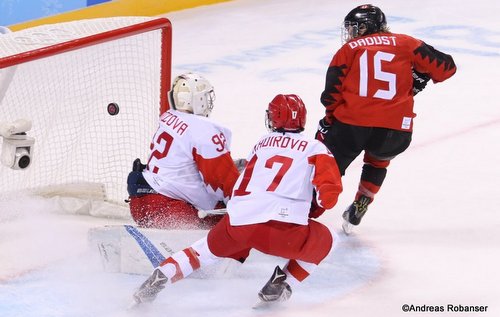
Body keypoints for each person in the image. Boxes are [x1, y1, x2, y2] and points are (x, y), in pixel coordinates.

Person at [132, 94, 343, 306]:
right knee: (331, 238)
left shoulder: (262, 142)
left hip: (238, 223)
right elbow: (328, 199)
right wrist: (309, 208)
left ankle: (162, 274)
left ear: (273, 118)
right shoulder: (317, 149)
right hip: (284, 232)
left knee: (200, 252)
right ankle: (281, 284)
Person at [315, 4, 457, 234]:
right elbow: (447, 67)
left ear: (365, 27)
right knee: (378, 161)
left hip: (352, 126)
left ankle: (301, 215)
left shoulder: (350, 49)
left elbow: (331, 93)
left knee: (327, 169)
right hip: (396, 132)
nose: (350, 34)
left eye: (354, 28)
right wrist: (420, 76)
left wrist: (329, 120)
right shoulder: (407, 43)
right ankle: (362, 202)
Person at [126, 72, 241, 229]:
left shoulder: (169, 118)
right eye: (205, 97)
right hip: (168, 208)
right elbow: (223, 182)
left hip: (139, 203)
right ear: (198, 100)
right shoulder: (204, 131)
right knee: (228, 221)